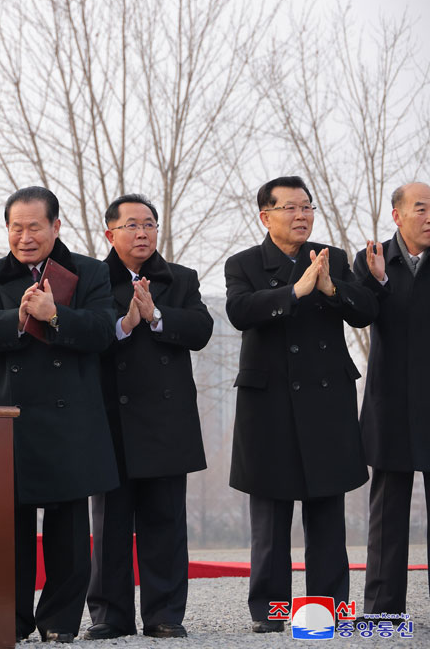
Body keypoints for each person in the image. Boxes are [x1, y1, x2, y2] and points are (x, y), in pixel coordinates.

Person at [0, 186, 117, 643]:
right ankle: (11, 619)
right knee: (11, 529)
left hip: (72, 420)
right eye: (16, 227)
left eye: (34, 226)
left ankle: (59, 623)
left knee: (69, 529)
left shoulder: (89, 271)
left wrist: (56, 314)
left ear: (56, 226)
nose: (24, 236)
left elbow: (103, 329)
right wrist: (22, 316)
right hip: (11, 418)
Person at [225, 175, 376, 633]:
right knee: (270, 516)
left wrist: (330, 287)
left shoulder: (334, 259)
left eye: (306, 207)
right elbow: (240, 311)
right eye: (289, 208)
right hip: (267, 404)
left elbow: (367, 310)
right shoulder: (244, 263)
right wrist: (295, 291)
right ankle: (270, 615)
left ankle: (325, 612)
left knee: (327, 512)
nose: (301, 216)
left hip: (325, 401)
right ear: (265, 215)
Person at [83, 194, 212, 640]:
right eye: (132, 225)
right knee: (110, 523)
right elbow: (83, 336)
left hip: (166, 419)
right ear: (110, 233)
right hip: (109, 418)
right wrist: (124, 324)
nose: (142, 232)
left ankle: (164, 614)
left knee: (165, 522)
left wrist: (157, 316)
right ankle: (108, 615)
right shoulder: (91, 280)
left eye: (149, 224)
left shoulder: (179, 279)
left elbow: (200, 330)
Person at [355, 182, 430, 616]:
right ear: (398, 216)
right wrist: (380, 279)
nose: (428, 216)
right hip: (391, 400)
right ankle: (383, 609)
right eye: (420, 208)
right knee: (387, 511)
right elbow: (359, 313)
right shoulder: (372, 258)